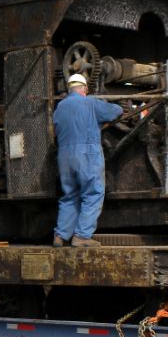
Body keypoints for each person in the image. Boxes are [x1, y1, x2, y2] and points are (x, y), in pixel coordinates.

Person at [53, 73, 123, 247]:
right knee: (92, 193)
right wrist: (121, 105)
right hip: (87, 154)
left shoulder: (60, 107)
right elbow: (115, 111)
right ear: (84, 88)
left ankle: (60, 236)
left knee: (70, 195)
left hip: (65, 157)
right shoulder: (90, 102)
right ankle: (82, 236)